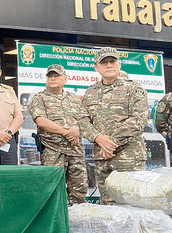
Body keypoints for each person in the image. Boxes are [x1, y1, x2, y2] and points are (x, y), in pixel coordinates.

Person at [80, 47, 148, 204]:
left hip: (128, 158)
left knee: (133, 203)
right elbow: (82, 121)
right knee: (108, 205)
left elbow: (138, 120)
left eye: (112, 61)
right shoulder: (90, 92)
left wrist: (110, 143)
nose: (109, 65)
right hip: (102, 159)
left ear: (119, 64)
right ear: (96, 67)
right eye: (104, 62)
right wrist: (97, 138)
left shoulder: (134, 88)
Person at [28, 64, 87, 205]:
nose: (53, 78)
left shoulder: (74, 99)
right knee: (52, 190)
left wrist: (77, 131)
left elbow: (86, 120)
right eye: (50, 76)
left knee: (79, 190)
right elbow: (41, 121)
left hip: (75, 150)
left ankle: (76, 223)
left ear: (65, 79)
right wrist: (66, 133)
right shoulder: (39, 98)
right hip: (53, 150)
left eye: (57, 76)